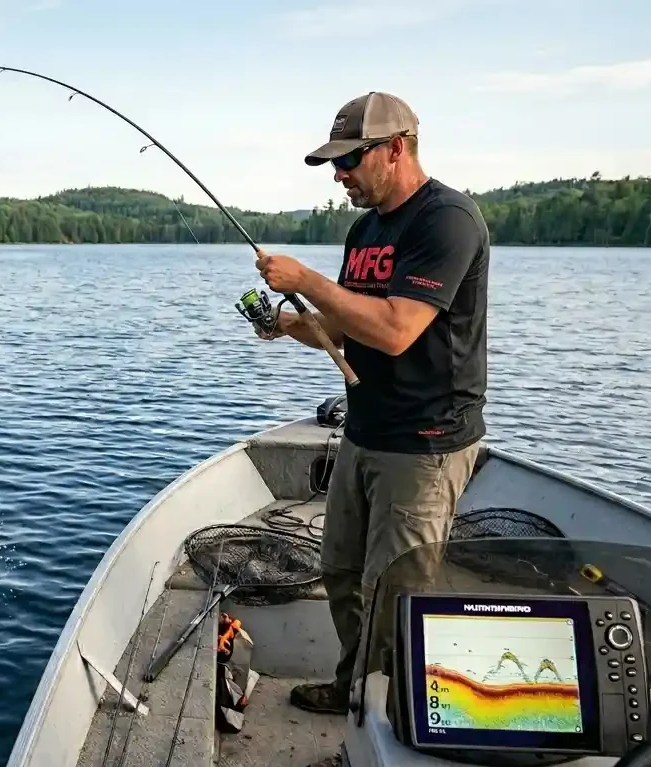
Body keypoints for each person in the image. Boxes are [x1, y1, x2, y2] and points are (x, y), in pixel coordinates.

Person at [252, 92, 491, 733]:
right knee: (340, 570)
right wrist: (287, 324)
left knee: (398, 591)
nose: (340, 175)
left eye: (351, 161)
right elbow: (345, 324)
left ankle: (400, 718)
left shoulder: (447, 221)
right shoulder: (366, 230)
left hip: (426, 442)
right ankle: (356, 686)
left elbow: (392, 331)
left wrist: (303, 279)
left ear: (398, 148)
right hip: (365, 431)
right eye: (336, 163)